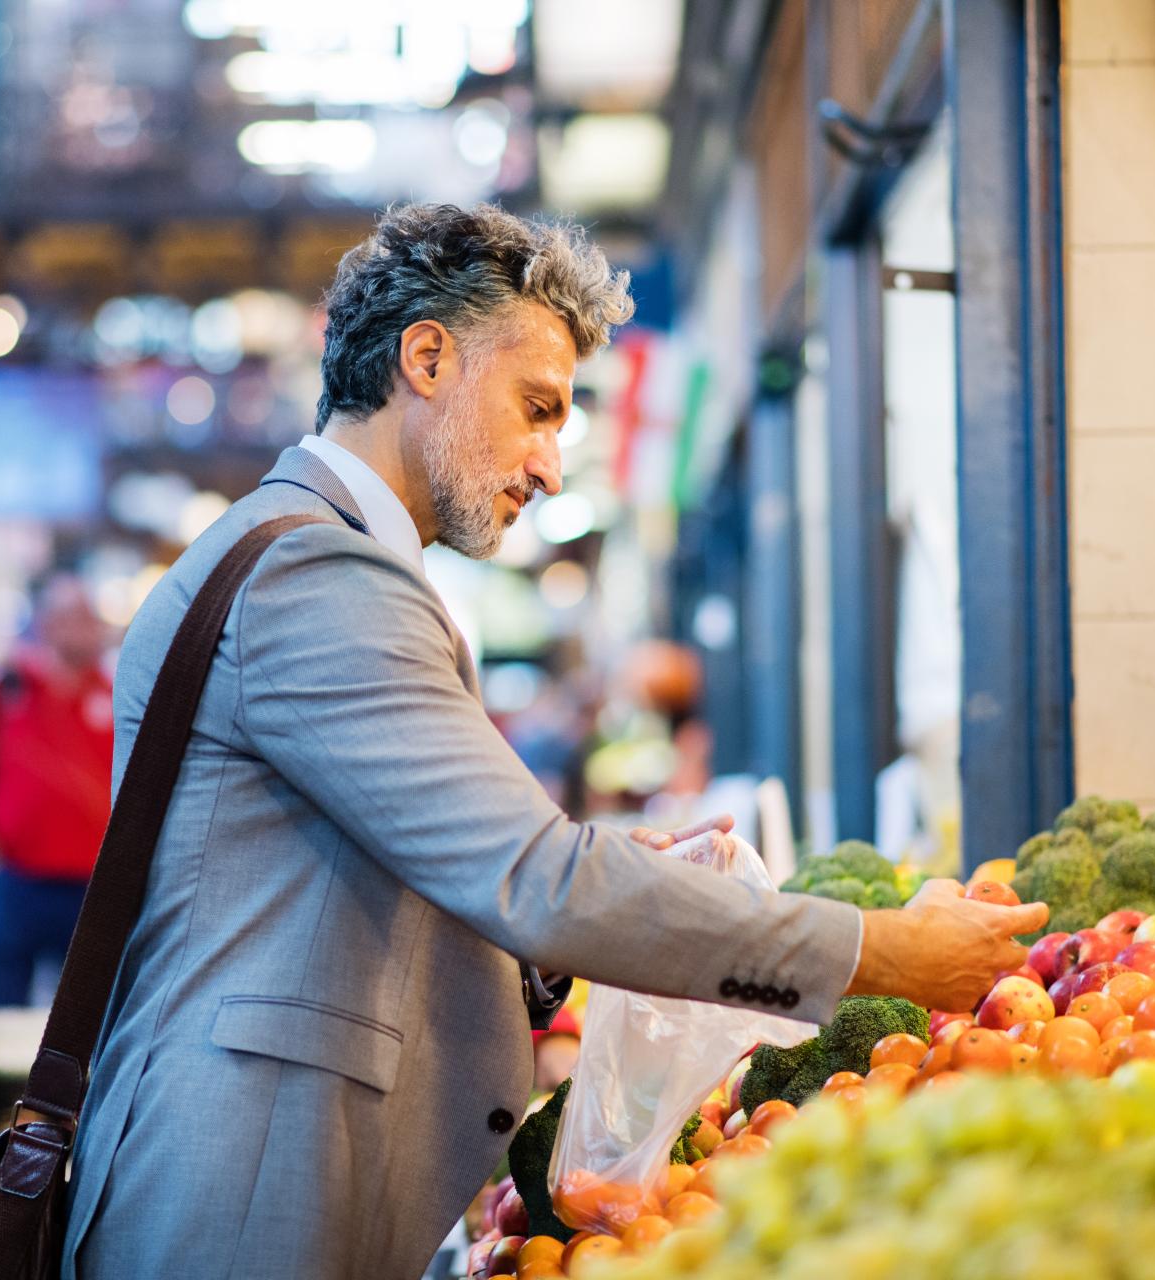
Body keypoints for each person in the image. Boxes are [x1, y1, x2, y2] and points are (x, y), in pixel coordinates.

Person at [59, 204, 1044, 1279]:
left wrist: (594, 917)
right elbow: (540, 879)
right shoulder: (318, 578)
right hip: (243, 1194)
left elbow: (379, 882)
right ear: (426, 358)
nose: (549, 467)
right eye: (536, 409)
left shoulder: (314, 561)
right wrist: (884, 950)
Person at [0, 574, 113, 1006]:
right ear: (47, 623)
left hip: (92, 886)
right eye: (75, 616)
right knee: (2, 1004)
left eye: (89, 616)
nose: (87, 626)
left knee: (88, 1016)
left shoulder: (116, 687)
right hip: (16, 880)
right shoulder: (3, 687)